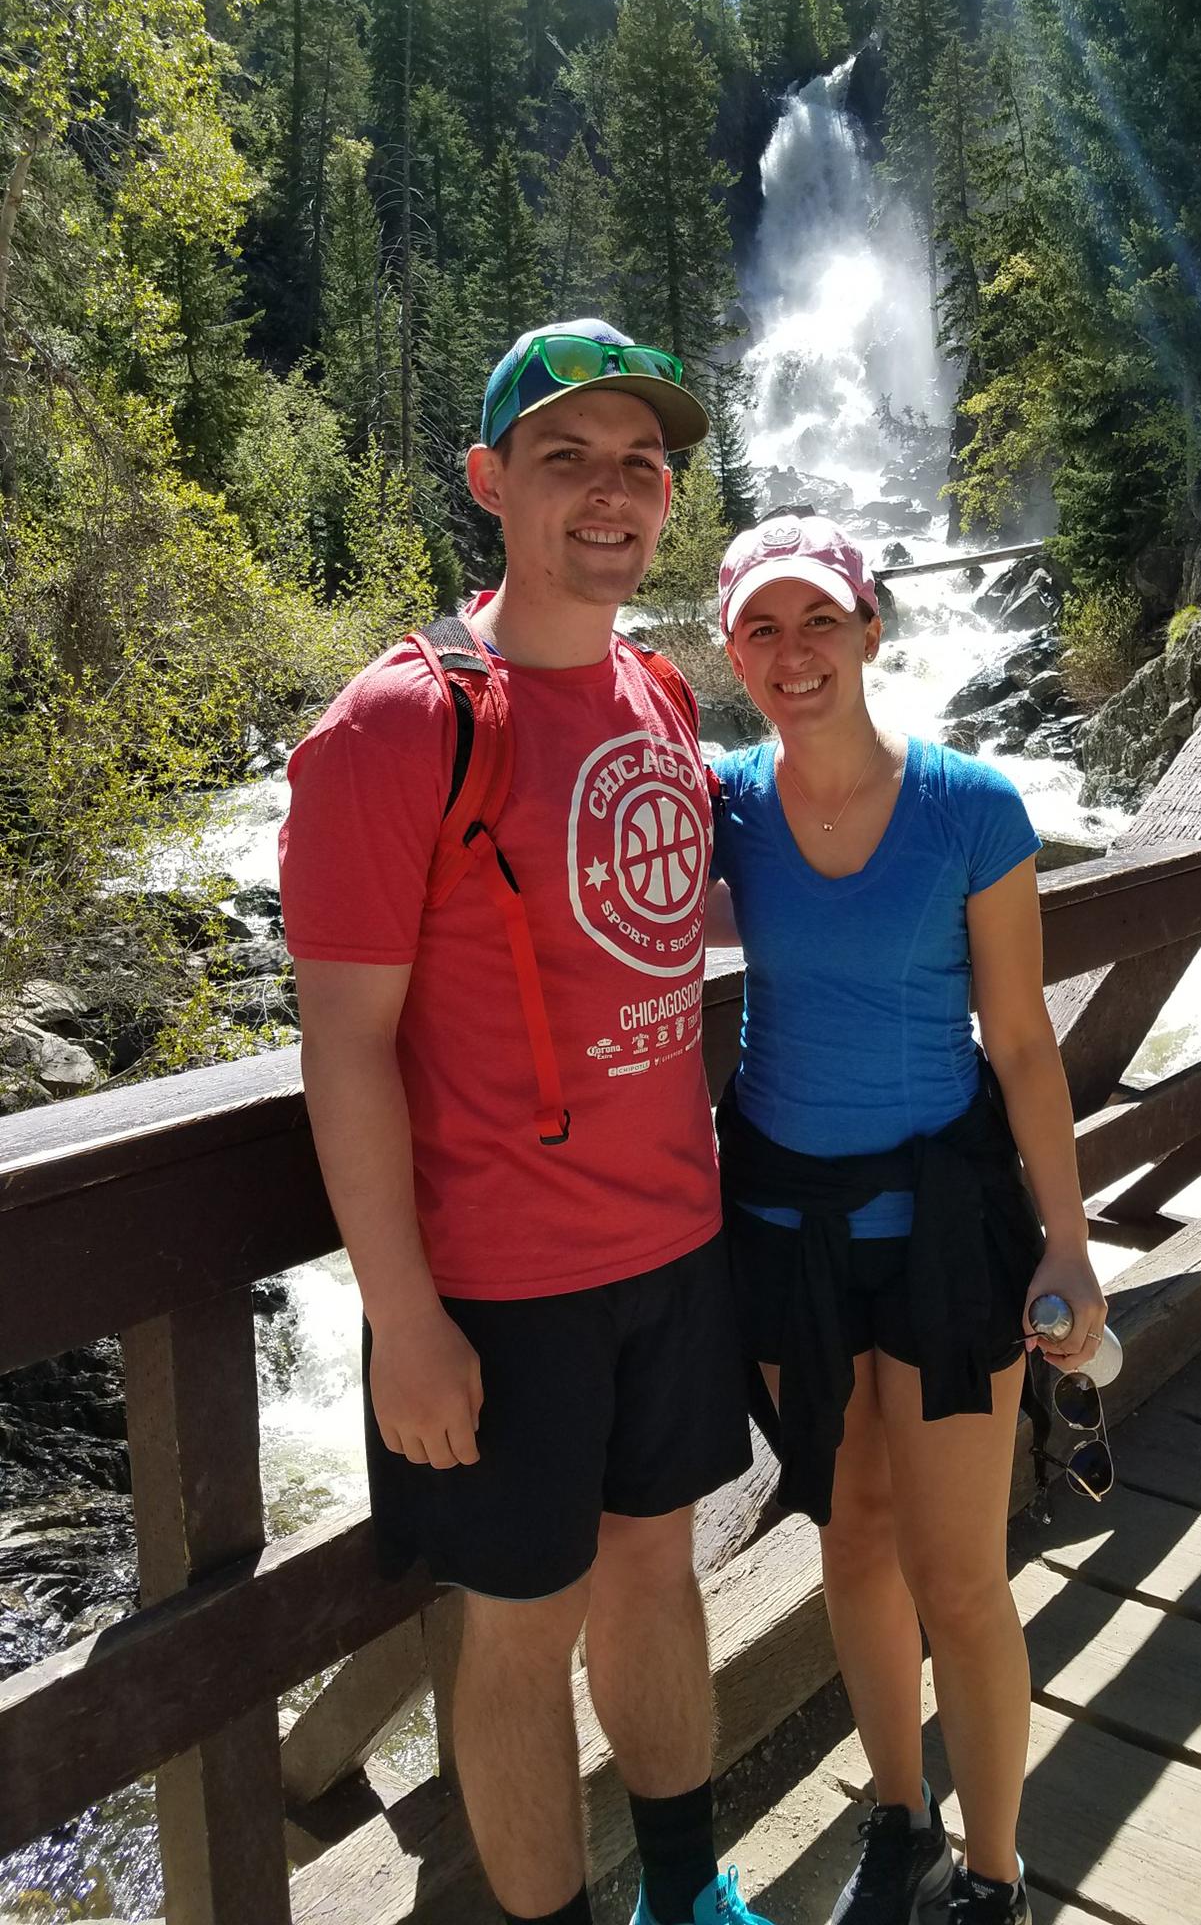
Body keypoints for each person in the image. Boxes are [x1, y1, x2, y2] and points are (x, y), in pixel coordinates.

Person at [279, 319, 769, 1925]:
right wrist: (401, 1318)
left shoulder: (658, 688)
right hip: (499, 1283)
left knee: (656, 1577)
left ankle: (689, 1896)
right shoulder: (395, 726)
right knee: (517, 1631)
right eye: (569, 460)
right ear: (490, 482)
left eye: (644, 465)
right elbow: (343, 1048)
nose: (617, 496)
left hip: (673, 1245)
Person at [708, 512, 1108, 1925]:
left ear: (874, 630)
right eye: (763, 627)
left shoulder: (969, 810)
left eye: (821, 619)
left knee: (958, 1571)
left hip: (943, 1231)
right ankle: (898, 1816)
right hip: (780, 1226)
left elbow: (1023, 1045)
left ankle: (993, 1872)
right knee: (852, 1531)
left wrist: (1066, 1239)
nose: (794, 651)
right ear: (731, 651)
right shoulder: (720, 806)